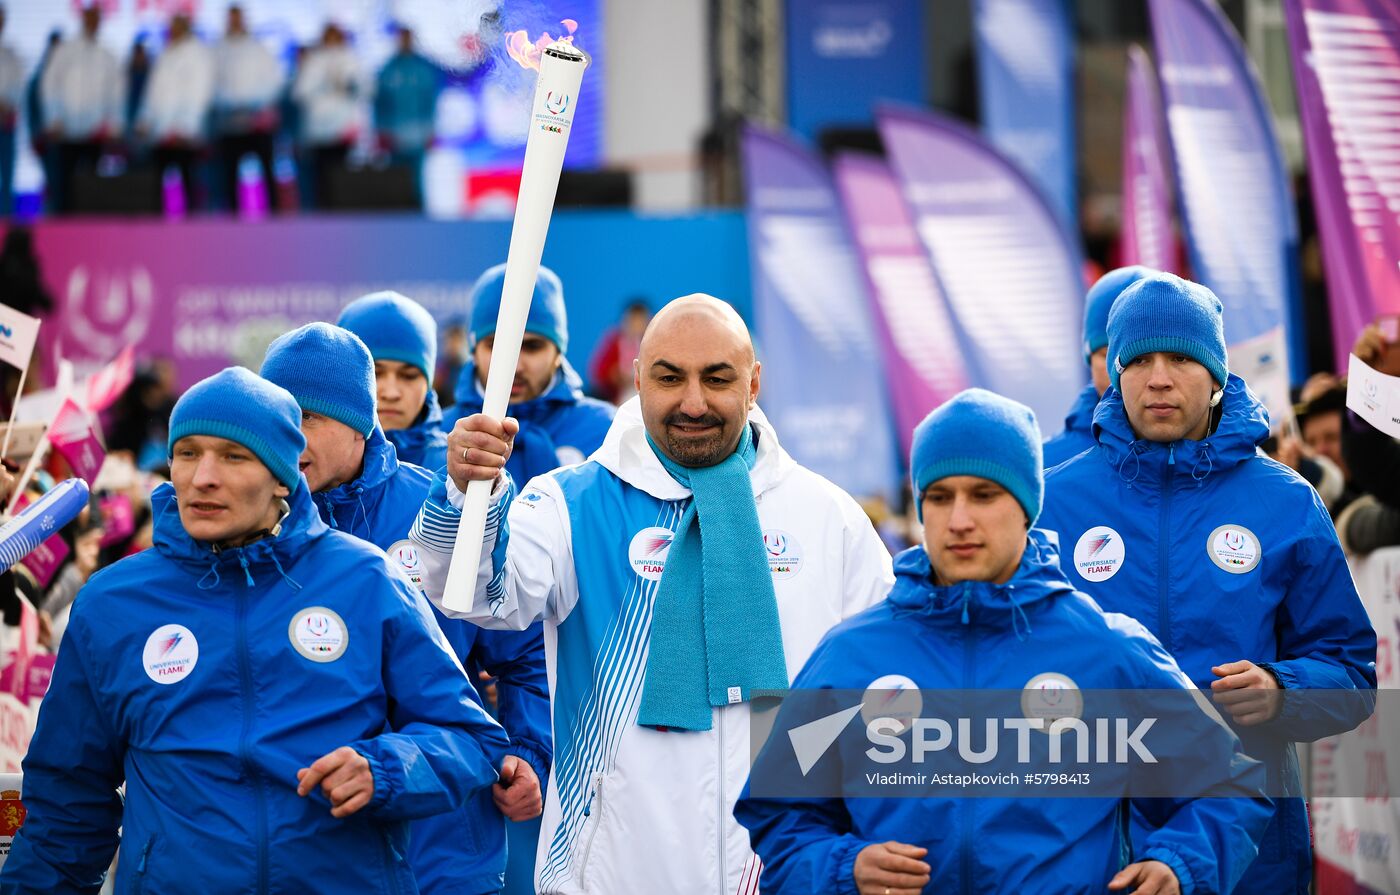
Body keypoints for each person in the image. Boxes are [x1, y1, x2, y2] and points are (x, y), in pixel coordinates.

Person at [410, 293, 897, 894]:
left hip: (779, 874)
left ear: (753, 383)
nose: (693, 402)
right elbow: (478, 596)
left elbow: (884, 694)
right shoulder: (571, 503)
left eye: (717, 378)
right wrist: (467, 495)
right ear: (637, 378)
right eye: (670, 378)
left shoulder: (830, 521)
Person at [734, 388, 1273, 894]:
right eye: (940, 497)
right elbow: (781, 812)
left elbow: (1228, 789)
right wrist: (840, 868)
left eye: (984, 494)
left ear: (1026, 506)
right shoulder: (851, 658)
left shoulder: (1107, 653)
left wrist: (1176, 864)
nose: (959, 519)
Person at [0, 367, 510, 893]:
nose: (203, 477)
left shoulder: (366, 580)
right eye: (188, 453)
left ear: (284, 475)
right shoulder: (112, 604)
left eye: (234, 456)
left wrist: (384, 769)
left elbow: (470, 739)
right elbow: (67, 803)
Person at [1037, 272, 1377, 894]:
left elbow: (1353, 673)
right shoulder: (1054, 502)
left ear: (1217, 375)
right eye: (1138, 359)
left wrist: (1282, 689)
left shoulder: (1284, 502)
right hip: (1090, 847)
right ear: (1114, 372)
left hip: (1249, 851)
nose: (1158, 378)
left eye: (1181, 359)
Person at [261, 324, 550, 895]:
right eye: (277, 418)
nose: (289, 439)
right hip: (309, 850)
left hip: (443, 854)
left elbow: (525, 648)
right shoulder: (248, 530)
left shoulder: (440, 508)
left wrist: (529, 751)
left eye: (310, 418)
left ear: (359, 423)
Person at [445, 264, 615, 482]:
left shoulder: (608, 432)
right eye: (496, 346)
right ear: (474, 352)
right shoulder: (439, 438)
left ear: (558, 353)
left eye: (532, 347)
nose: (515, 367)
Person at [1042, 265, 1153, 468]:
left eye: (1139, 358)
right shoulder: (1043, 465)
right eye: (1107, 355)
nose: (1119, 369)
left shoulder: (1210, 456)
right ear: (1089, 358)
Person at [337, 291, 449, 468]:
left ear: (428, 383)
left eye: (409, 375)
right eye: (374, 374)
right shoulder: (305, 467)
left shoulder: (458, 475)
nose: (391, 393)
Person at [40, 4, 124, 214]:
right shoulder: (64, 50)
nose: (93, 23)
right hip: (66, 130)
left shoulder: (106, 55)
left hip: (95, 132)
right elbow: (50, 85)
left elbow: (116, 94)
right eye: (90, 18)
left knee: (93, 182)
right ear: (83, 19)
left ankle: (89, 230)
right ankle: (63, 229)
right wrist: (54, 119)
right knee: (64, 182)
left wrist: (114, 125)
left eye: (97, 19)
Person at [135, 13, 214, 210]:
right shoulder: (165, 53)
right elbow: (153, 93)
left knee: (190, 185)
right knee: (155, 188)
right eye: (171, 26)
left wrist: (185, 127)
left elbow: (199, 94)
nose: (173, 30)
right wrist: (144, 120)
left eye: (177, 26)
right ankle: (159, 236)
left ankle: (193, 235)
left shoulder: (198, 55)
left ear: (187, 28)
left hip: (185, 135)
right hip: (161, 132)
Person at [212, 4, 284, 213]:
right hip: (230, 122)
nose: (234, 22)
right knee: (229, 174)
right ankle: (233, 223)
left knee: (267, 170)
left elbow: (272, 81)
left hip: (257, 121)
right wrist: (228, 103)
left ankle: (274, 217)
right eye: (231, 18)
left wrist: (257, 105)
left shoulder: (258, 49)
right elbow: (212, 85)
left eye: (237, 18)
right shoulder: (218, 50)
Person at [292, 23, 362, 207]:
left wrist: (349, 86)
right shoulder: (314, 61)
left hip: (342, 130)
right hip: (319, 131)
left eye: (335, 36)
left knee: (342, 175)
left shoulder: (351, 60)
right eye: (328, 37)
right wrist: (326, 85)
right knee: (320, 178)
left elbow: (363, 90)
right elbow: (300, 92)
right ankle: (322, 216)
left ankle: (341, 215)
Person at [373, 26, 439, 200]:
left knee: (417, 180)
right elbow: (380, 103)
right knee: (396, 180)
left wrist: (430, 129)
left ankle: (418, 217)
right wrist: (381, 130)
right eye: (402, 38)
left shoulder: (422, 69)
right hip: (394, 134)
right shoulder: (388, 70)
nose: (405, 42)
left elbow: (429, 102)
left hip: (418, 133)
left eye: (408, 38)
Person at [587, 298, 651, 404]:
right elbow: (598, 373)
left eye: (640, 320)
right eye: (633, 320)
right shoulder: (614, 342)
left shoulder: (652, 342)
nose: (636, 325)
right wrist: (616, 376)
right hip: (618, 401)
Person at [0, 5, 23, 216]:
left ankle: (5, 222)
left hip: (5, 123)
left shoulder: (12, 55)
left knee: (7, 176)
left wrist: (6, 106)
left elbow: (18, 87)